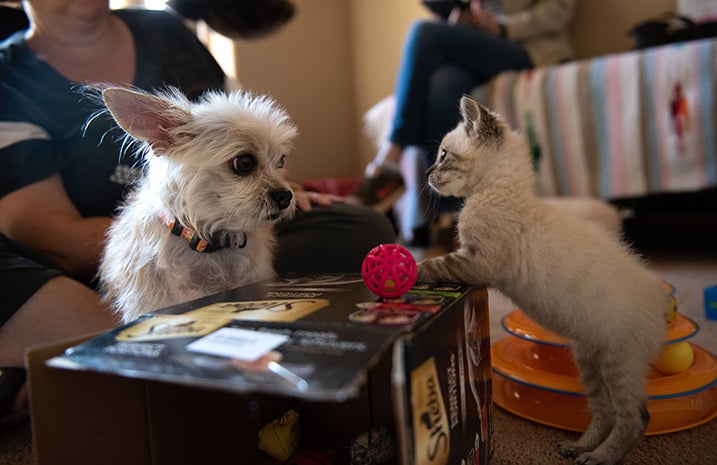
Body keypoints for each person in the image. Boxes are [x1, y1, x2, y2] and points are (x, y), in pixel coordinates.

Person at [0, 0, 395, 422]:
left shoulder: (165, 30)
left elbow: (245, 131)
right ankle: (90, 334)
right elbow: (38, 229)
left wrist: (283, 187)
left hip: (231, 226)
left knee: (362, 226)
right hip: (96, 257)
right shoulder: (11, 76)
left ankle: (164, 330)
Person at [349, 0, 577, 220]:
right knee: (443, 82)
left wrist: (502, 27)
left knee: (424, 32)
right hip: (478, 46)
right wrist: (460, 22)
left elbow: (559, 10)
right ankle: (451, 214)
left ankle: (390, 159)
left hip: (527, 48)